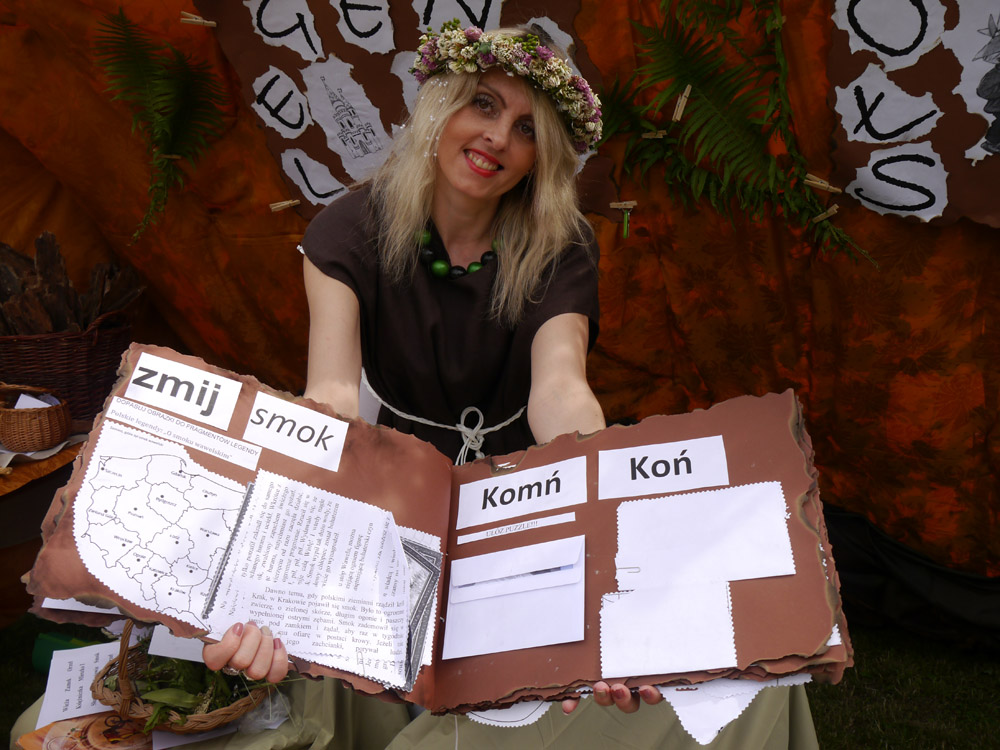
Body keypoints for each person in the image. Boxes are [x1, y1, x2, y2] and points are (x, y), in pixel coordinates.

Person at [204, 21, 819, 750]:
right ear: (442, 106)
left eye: (527, 129)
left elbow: (560, 389)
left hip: (520, 497)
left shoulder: (560, 243)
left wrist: (606, 513)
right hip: (396, 493)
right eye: (484, 104)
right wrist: (286, 535)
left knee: (591, 669)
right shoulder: (348, 228)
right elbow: (333, 397)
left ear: (539, 159)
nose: (498, 137)